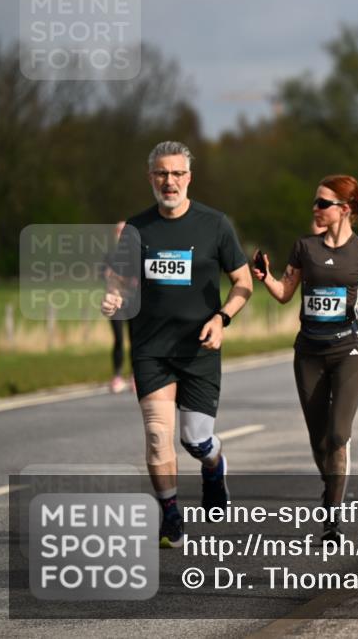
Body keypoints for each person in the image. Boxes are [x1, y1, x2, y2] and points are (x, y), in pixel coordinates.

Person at [101, 141, 252, 548]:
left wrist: (223, 318)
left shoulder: (215, 224)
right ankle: (170, 515)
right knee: (156, 435)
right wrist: (114, 295)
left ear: (189, 177)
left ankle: (214, 466)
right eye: (162, 174)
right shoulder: (136, 228)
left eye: (178, 173)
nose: (170, 181)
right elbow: (117, 278)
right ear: (150, 177)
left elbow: (243, 283)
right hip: (151, 348)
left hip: (200, 348)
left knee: (195, 440)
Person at [254, 175, 358, 541]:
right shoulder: (304, 248)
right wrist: (265, 278)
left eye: (322, 203)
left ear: (344, 210)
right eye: (315, 202)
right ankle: (331, 482)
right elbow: (285, 293)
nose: (315, 209)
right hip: (309, 353)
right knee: (319, 440)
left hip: (348, 349)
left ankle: (332, 518)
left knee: (337, 434)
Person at [105, 220, 130, 393]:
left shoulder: (136, 254)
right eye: (119, 231)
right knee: (119, 339)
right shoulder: (109, 255)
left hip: (135, 302)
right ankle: (117, 376)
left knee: (137, 340)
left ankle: (136, 377)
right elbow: (106, 276)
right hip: (116, 303)